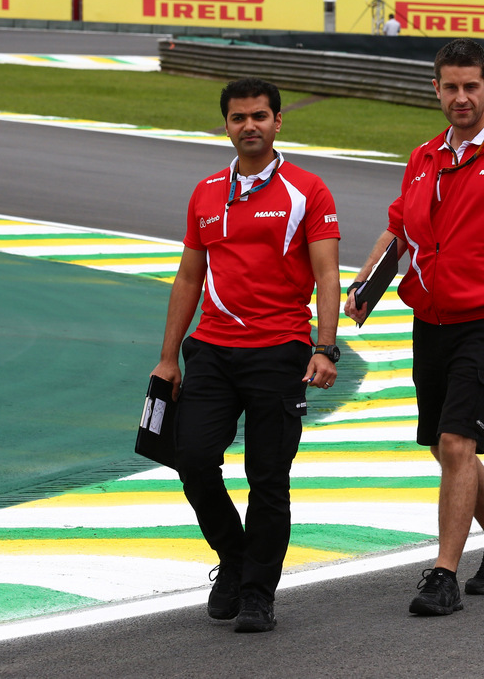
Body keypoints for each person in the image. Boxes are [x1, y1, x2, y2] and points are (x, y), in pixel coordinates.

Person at [344, 38, 484, 616]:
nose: (461, 97)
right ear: (436, 89)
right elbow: (399, 231)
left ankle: (443, 572)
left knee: (456, 442)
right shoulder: (423, 157)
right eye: (451, 87)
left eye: (472, 86)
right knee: (450, 450)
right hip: (429, 317)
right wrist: (365, 284)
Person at [150, 77, 341, 633]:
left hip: (279, 350)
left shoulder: (309, 189)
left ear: (278, 122)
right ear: (227, 125)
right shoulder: (206, 191)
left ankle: (258, 592)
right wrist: (168, 358)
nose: (249, 125)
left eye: (260, 116)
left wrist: (324, 346)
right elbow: (189, 275)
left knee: (268, 477)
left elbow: (327, 272)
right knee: (192, 459)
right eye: (239, 118)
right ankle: (234, 560)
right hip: (210, 350)